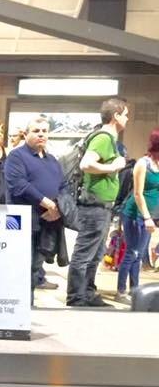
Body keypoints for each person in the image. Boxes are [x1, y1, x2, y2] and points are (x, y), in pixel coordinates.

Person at [65, 97, 129, 307]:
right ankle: (77, 297)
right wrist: (114, 167)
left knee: (95, 254)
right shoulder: (103, 138)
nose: (127, 119)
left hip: (102, 207)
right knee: (85, 254)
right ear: (116, 116)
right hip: (93, 206)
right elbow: (86, 164)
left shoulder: (108, 139)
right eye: (125, 114)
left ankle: (88, 293)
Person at [3, 116, 63, 299]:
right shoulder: (16, 156)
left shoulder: (53, 160)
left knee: (35, 267)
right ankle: (18, 306)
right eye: (36, 131)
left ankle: (28, 305)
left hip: (47, 222)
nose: (41, 135)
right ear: (26, 134)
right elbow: (18, 184)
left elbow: (64, 185)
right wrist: (46, 202)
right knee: (19, 266)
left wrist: (58, 207)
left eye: (44, 131)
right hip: (21, 222)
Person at [114, 128, 159, 304]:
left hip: (150, 216)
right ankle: (121, 291)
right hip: (134, 214)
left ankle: (135, 290)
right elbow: (138, 194)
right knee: (131, 253)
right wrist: (147, 217)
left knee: (139, 255)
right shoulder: (143, 163)